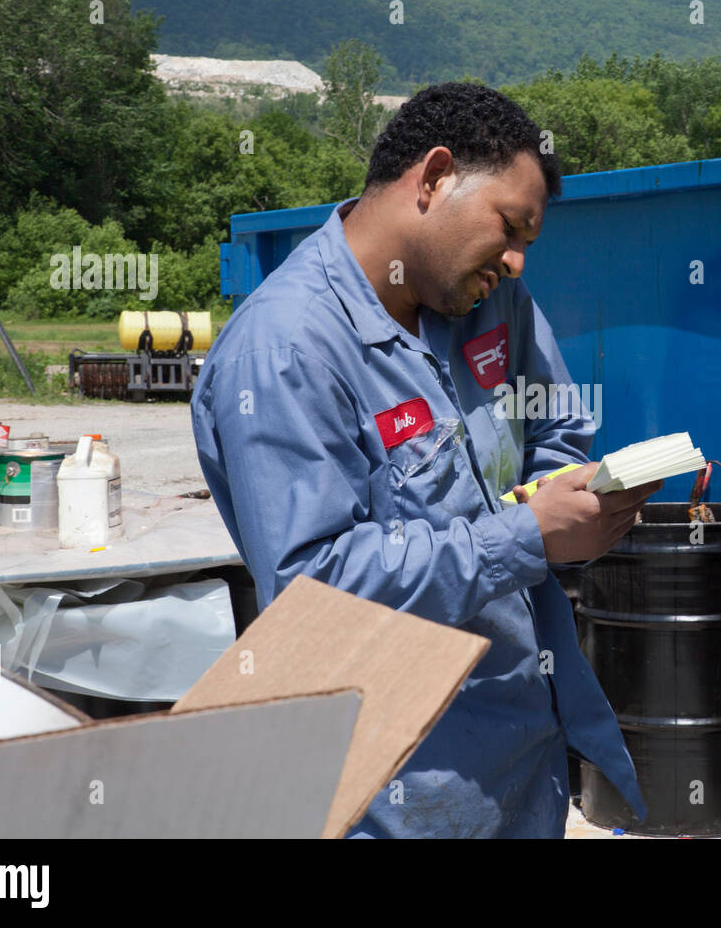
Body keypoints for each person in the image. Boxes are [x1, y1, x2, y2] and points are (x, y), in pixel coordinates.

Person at [190, 82, 662, 837]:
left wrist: (571, 498)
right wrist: (525, 537)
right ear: (435, 176)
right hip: (398, 789)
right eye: (509, 228)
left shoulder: (489, 301)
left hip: (522, 762)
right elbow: (316, 592)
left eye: (528, 246)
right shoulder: (288, 349)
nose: (514, 262)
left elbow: (557, 429)